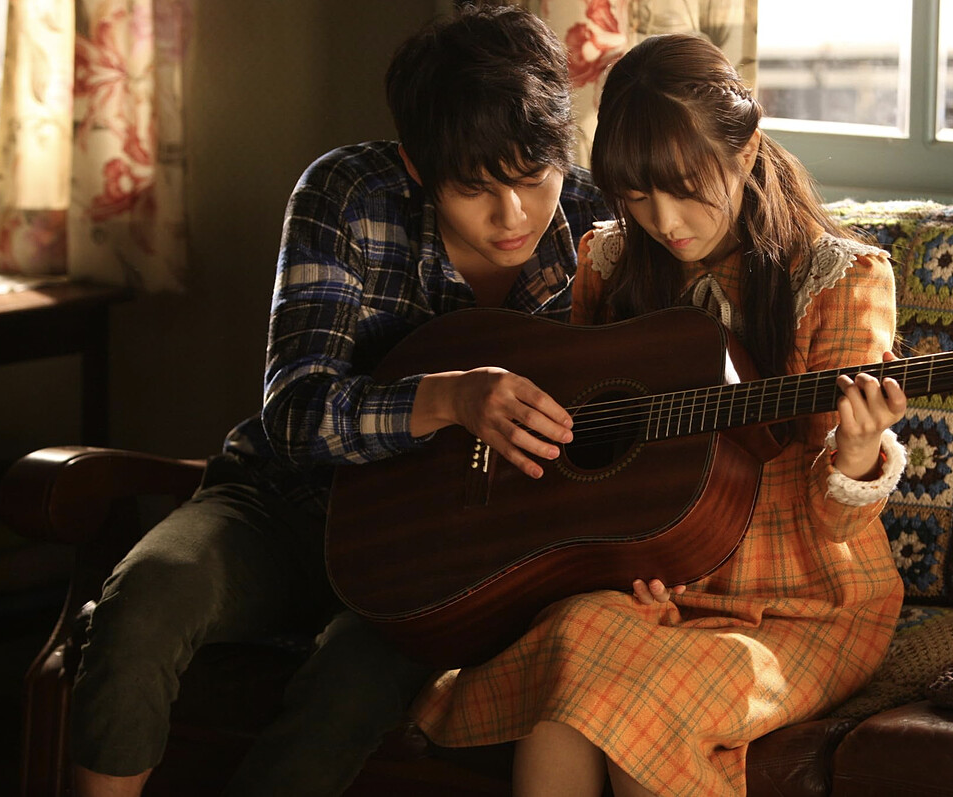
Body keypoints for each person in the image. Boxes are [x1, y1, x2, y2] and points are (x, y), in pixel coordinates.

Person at [67, 4, 610, 796]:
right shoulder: (349, 192)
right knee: (148, 595)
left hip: (442, 555)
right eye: (476, 189)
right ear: (418, 166)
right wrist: (450, 399)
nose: (513, 216)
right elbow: (295, 411)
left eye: (534, 179)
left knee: (350, 687)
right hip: (287, 504)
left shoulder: (598, 226)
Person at [411, 32, 909, 796]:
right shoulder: (608, 261)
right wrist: (621, 563)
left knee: (637, 712)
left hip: (800, 603)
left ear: (745, 150)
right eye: (638, 196)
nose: (666, 221)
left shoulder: (839, 279)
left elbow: (839, 525)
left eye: (685, 188)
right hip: (654, 586)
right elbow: (587, 459)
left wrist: (857, 451)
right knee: (568, 670)